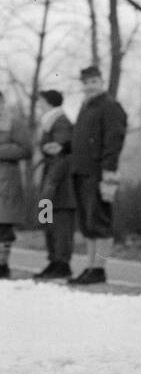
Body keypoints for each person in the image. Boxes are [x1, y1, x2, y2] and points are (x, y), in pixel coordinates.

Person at [68, 65, 127, 285]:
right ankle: (90, 265)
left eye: (93, 81)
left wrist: (108, 171)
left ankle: (100, 268)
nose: (89, 86)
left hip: (99, 172)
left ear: (101, 82)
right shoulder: (86, 107)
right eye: (85, 82)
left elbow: (114, 141)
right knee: (87, 223)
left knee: (100, 222)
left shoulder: (110, 107)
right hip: (81, 171)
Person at [34, 88, 76, 279]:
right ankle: (53, 261)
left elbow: (60, 155)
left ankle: (62, 263)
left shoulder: (60, 122)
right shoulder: (49, 123)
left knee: (60, 224)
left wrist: (49, 186)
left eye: (41, 101)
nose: (39, 105)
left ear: (48, 102)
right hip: (49, 182)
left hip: (59, 184)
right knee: (48, 222)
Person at [0, 85, 33, 279]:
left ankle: (3, 265)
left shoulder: (14, 124)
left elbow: (26, 149)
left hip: (6, 182)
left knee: (3, 226)